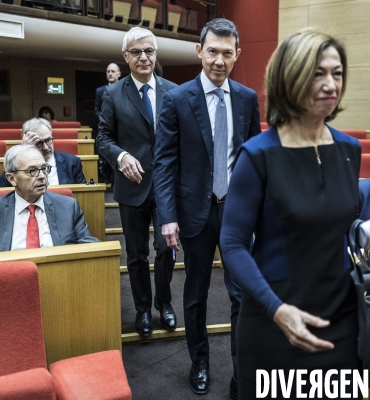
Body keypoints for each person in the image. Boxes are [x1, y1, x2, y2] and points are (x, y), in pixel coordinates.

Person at [219, 28, 370, 399]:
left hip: (342, 316)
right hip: (277, 319)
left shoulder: (348, 150)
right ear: (291, 76)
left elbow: (343, 229)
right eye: (318, 73)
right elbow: (233, 243)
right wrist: (276, 309)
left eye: (337, 74)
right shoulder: (257, 155)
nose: (331, 83)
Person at [153, 18, 261, 398]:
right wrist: (166, 217)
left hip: (237, 212)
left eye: (227, 53)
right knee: (196, 295)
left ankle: (240, 368)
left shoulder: (247, 98)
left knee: (241, 294)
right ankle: (199, 361)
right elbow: (164, 163)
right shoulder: (177, 98)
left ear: (237, 55)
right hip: (193, 212)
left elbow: (254, 161)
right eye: (212, 51)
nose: (219, 60)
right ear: (199, 51)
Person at [97, 27, 178, 338]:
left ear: (155, 54)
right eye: (136, 52)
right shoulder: (112, 94)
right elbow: (103, 138)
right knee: (136, 254)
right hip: (131, 186)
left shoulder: (174, 91)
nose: (144, 57)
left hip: (167, 187)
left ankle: (165, 303)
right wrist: (121, 157)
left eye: (149, 51)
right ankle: (143, 309)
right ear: (125, 57)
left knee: (166, 248)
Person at [0, 145, 98, 255]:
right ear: (12, 178)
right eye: (32, 171)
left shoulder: (68, 206)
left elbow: (90, 247)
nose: (42, 176)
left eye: (44, 169)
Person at [0, 118, 86, 187]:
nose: (45, 147)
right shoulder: (19, 162)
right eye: (39, 143)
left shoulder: (72, 162)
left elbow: (81, 194)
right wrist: (23, 150)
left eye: (48, 140)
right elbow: (1, 188)